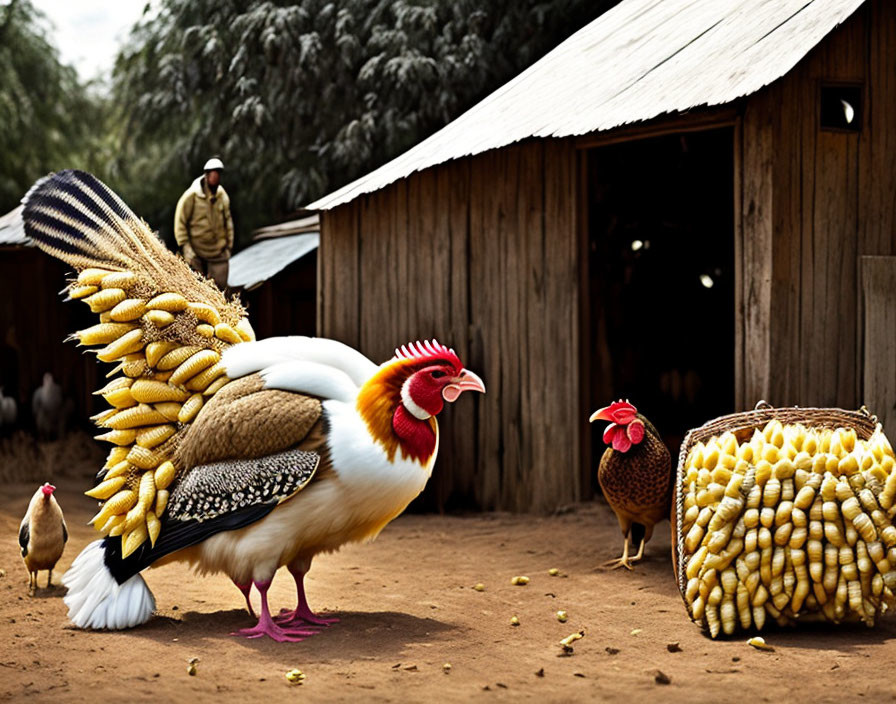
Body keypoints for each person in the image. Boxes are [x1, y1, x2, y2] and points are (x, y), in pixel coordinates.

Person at [174, 157, 234, 291]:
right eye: (212, 174)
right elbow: (180, 222)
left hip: (218, 250)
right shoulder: (191, 196)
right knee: (196, 287)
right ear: (206, 175)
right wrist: (186, 246)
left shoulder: (222, 195)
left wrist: (229, 245)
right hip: (197, 250)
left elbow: (228, 221)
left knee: (219, 289)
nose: (215, 178)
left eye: (217, 175)